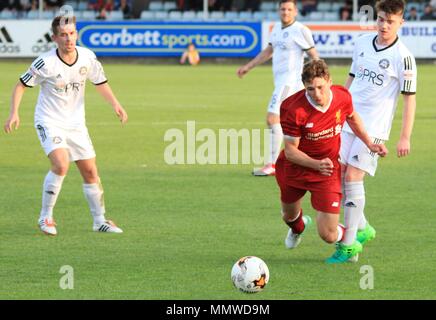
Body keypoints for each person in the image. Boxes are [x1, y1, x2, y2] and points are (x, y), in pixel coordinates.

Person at [4, 15, 128, 236]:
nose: (68, 39)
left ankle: (99, 221)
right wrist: (14, 113)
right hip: (49, 120)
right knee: (61, 164)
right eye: (63, 35)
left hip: (76, 123)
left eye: (71, 33)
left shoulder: (87, 57)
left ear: (76, 34)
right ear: (54, 38)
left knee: (90, 172)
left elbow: (100, 82)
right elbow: (20, 85)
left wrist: (116, 104)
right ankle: (46, 217)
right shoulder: (45, 62)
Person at [275, 59, 387, 263]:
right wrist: (316, 164)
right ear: (304, 87)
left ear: (329, 81)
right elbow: (290, 151)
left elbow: (353, 119)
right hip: (295, 169)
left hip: (326, 172)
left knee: (327, 234)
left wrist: (369, 143)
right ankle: (298, 228)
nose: (317, 94)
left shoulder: (342, 96)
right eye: (310, 89)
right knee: (289, 217)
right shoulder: (292, 108)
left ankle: (348, 243)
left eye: (320, 87)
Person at [338, 0, 417, 262]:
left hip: (374, 129)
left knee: (352, 178)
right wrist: (336, 110)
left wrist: (404, 136)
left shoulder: (403, 57)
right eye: (381, 19)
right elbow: (352, 78)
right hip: (349, 121)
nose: (384, 25)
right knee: (338, 175)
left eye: (390, 21)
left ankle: (348, 247)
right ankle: (363, 228)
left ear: (400, 23)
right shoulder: (361, 43)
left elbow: (409, 99)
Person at [237, 0, 319, 176]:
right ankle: (303, 159)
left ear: (295, 11)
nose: (286, 12)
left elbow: (314, 55)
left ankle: (272, 164)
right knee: (296, 122)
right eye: (283, 9)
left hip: (290, 82)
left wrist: (319, 79)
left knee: (273, 118)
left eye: (289, 9)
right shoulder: (276, 29)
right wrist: (248, 67)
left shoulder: (300, 30)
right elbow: (268, 52)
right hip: (281, 82)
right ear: (278, 10)